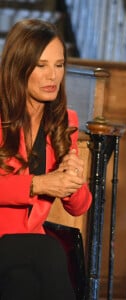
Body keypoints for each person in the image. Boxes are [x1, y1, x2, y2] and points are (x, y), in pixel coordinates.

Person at [0, 19, 92, 299]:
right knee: (49, 251)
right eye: (41, 66)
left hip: (28, 252)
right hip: (14, 246)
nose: (52, 76)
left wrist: (74, 180)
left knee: (24, 283)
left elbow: (79, 207)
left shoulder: (64, 121)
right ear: (19, 67)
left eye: (59, 65)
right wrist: (38, 185)